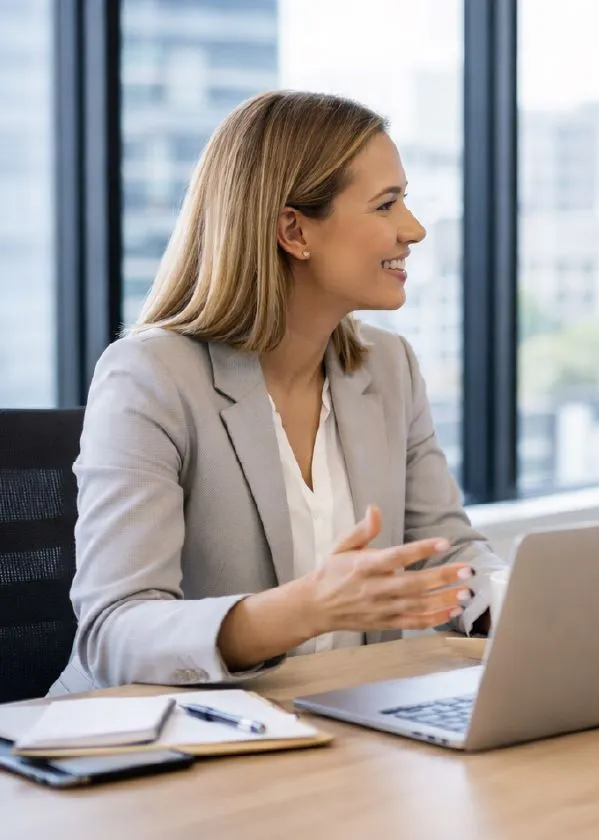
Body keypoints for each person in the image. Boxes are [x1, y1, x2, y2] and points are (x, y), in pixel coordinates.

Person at [50, 90, 504, 696]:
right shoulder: (149, 378)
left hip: (330, 731)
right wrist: (302, 609)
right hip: (150, 752)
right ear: (294, 230)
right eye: (387, 204)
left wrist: (516, 607)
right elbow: (114, 631)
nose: (413, 229)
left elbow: (444, 554)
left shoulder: (389, 367)